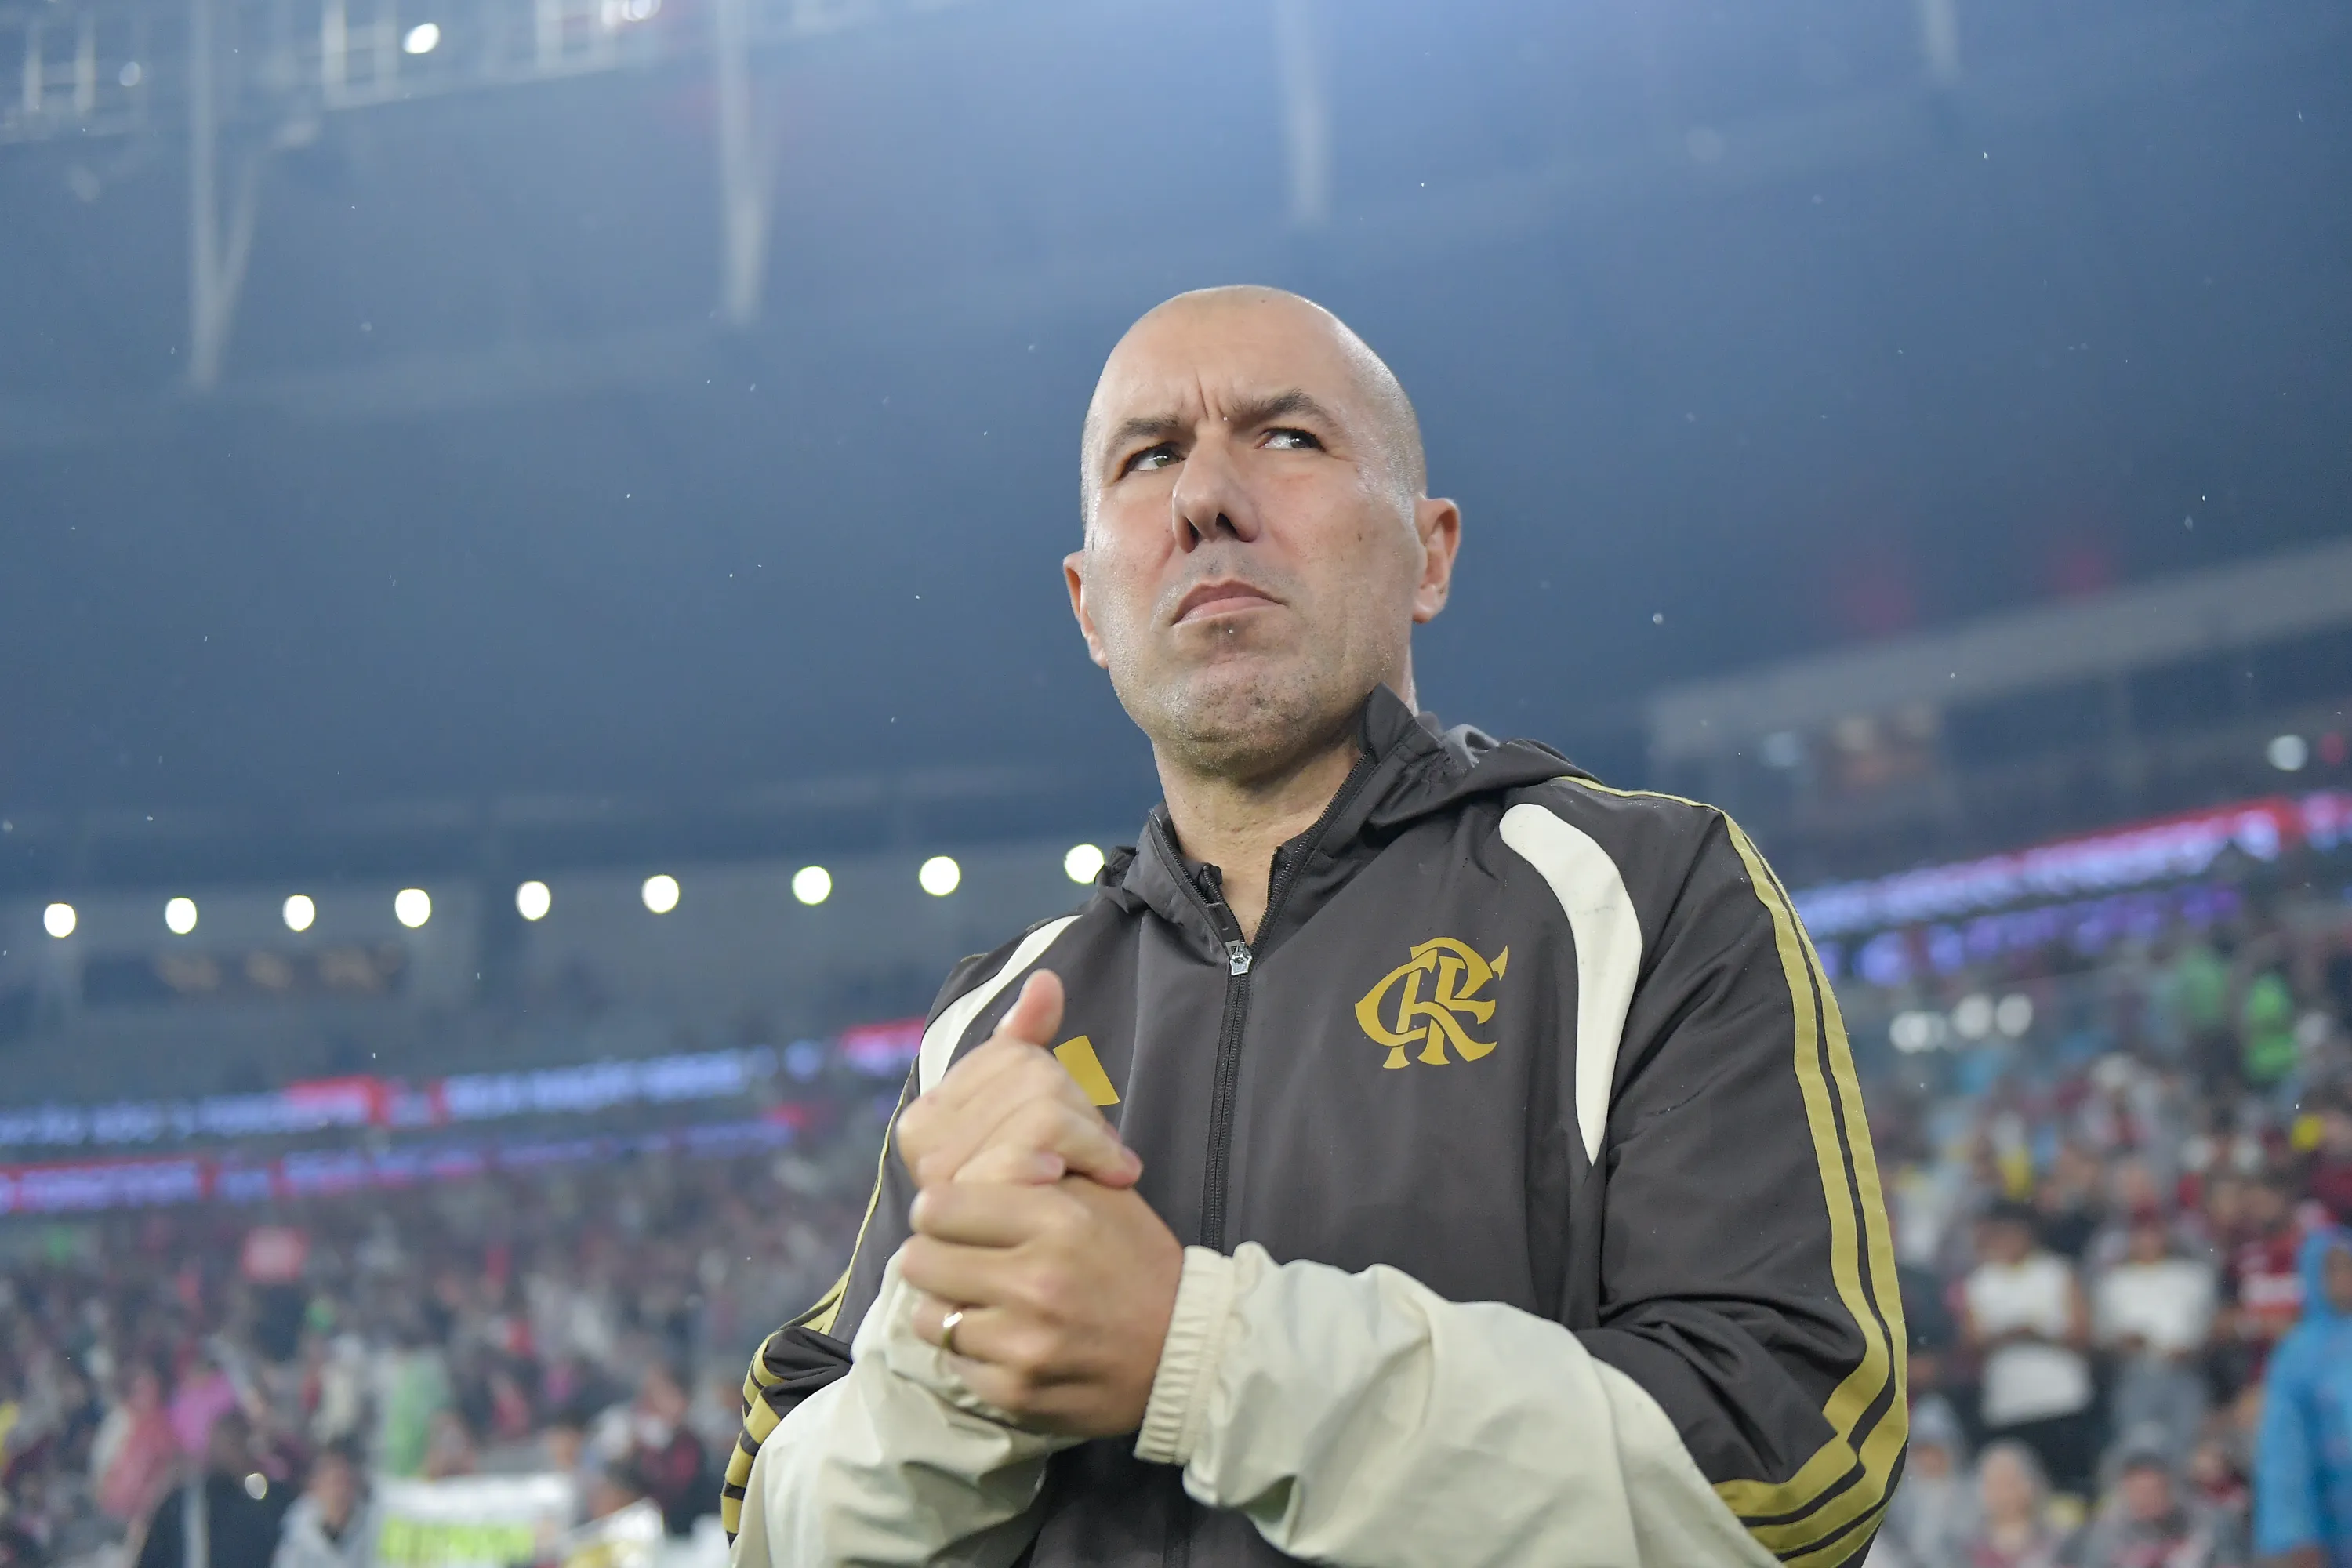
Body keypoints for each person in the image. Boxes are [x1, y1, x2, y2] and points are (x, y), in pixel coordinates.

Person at [724, 286, 1907, 1566]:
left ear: (1430, 554)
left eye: (1288, 437)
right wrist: (943, 1385)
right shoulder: (991, 1026)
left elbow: (1790, 1472)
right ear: (1089, 608)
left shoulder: (1646, 891)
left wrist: (1196, 1355)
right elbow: (767, 1524)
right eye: (1149, 457)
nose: (1205, 499)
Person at [1962, 1201, 2097, 1496]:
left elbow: (2084, 1335)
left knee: (2069, 1491)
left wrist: (2039, 1335)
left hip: (2061, 1399)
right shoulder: (1980, 1282)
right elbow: (1969, 1345)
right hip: (2009, 1405)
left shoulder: (2057, 1273)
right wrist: (2006, 1336)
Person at [2252, 1225, 2352, 1568]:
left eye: (2348, 1266)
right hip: (2329, 1518)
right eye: (2332, 1269)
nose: (2344, 1278)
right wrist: (2294, 1533)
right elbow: (2285, 1450)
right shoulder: (2297, 1353)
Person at [2096, 1210, 2218, 1462]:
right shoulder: (2114, 1282)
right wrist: (2123, 1343)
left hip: (2185, 1372)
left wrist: (2192, 1349)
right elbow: (2101, 1337)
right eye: (2141, 1235)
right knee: (2137, 1448)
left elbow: (2211, 1328)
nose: (2148, 1241)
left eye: (2154, 1234)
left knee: (2187, 1446)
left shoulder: (2193, 1276)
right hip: (2136, 1373)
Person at [134, 1410, 293, 1568]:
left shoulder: (271, 1500)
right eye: (224, 1445)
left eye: (235, 1445)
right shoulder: (183, 1505)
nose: (229, 1453)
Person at [2074, 1439, 2244, 1568]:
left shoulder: (2209, 1523)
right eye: (2139, 1490)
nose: (2147, 1498)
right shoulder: (2105, 1536)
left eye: (2155, 1488)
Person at [1959, 1441, 2072, 1568]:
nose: (2004, 1494)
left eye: (2011, 1483)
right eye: (1995, 1484)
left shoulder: (2059, 1543)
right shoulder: (1969, 1549)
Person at [272, 1441, 376, 1568]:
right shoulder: (296, 1537)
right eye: (333, 1482)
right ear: (315, 1486)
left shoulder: (374, 1527)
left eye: (345, 1481)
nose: (339, 1491)